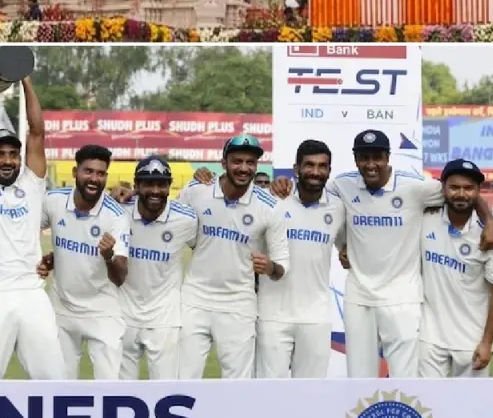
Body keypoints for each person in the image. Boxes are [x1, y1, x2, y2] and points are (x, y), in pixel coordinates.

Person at [268, 129, 493, 378]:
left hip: (402, 297)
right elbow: (310, 191)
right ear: (355, 160)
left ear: (388, 157)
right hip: (359, 297)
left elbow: (461, 193)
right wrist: (282, 186)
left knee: (405, 379)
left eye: (377, 157)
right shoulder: (342, 185)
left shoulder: (415, 187)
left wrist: (489, 220)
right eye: (364, 158)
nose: (371, 164)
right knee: (360, 378)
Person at [0, 57, 65, 380]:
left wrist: (25, 76)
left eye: (12, 154)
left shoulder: (32, 185)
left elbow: (37, 131)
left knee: (54, 381)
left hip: (32, 293)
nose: (7, 160)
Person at [177, 135, 288, 380]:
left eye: (251, 162)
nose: (244, 168)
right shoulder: (197, 191)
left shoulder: (270, 206)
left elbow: (282, 266)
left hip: (239, 303)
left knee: (237, 385)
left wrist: (270, 267)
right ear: (223, 162)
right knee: (183, 379)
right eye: (237, 161)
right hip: (195, 298)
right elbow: (173, 226)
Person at [36, 144, 130, 380]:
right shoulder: (53, 200)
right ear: (75, 172)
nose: (94, 178)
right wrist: (42, 260)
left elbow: (120, 277)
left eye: (100, 173)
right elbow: (23, 233)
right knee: (60, 385)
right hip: (62, 307)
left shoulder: (116, 216)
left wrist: (108, 256)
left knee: (109, 388)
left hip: (102, 309)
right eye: (88, 171)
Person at [255, 139, 345, 379]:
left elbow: (347, 247)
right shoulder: (273, 200)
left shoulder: (337, 208)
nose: (316, 172)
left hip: (316, 317)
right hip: (272, 314)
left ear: (329, 171)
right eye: (309, 165)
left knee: (310, 396)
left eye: (322, 166)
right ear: (296, 169)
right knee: (268, 394)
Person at [419, 159, 493, 378]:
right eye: (454, 187)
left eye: (469, 188)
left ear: (478, 191)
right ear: (443, 188)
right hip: (429, 337)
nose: (461, 194)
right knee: (427, 403)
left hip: (471, 339)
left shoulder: (492, 238)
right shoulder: (424, 219)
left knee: (471, 408)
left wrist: (487, 342)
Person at [119, 156, 197, 379]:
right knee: (120, 393)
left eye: (161, 184)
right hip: (123, 315)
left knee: (165, 391)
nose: (155, 190)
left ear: (169, 186)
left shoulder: (187, 220)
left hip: (165, 320)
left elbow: (205, 249)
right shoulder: (119, 213)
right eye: (148, 184)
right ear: (136, 186)